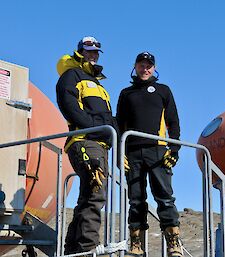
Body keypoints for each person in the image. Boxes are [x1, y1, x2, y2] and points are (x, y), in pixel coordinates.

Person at [117, 52, 183, 257]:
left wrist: (174, 149)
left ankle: (173, 242)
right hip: (133, 153)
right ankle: (136, 244)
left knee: (164, 198)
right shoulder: (126, 93)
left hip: (158, 151)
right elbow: (119, 126)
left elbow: (173, 122)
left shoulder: (163, 91)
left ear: (154, 68)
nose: (145, 69)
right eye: (141, 65)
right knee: (136, 200)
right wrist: (121, 153)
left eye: (149, 66)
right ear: (135, 67)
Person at [56, 36, 116, 255]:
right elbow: (69, 106)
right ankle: (88, 249)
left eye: (96, 52)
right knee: (95, 195)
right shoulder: (71, 76)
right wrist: (92, 127)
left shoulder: (99, 85)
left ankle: (73, 250)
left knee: (87, 197)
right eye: (89, 51)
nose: (93, 55)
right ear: (79, 52)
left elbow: (108, 118)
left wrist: (115, 139)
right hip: (84, 142)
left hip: (100, 143)